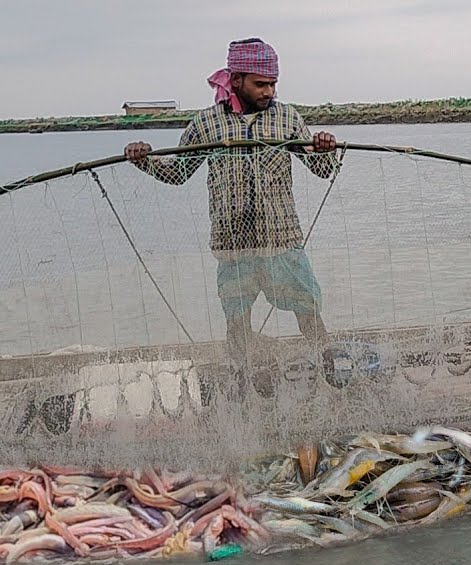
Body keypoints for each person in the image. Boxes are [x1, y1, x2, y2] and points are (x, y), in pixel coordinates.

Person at [124, 37, 339, 367]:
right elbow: (178, 174)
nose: (268, 92)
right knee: (237, 323)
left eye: (273, 84)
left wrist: (327, 148)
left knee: (308, 310)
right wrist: (144, 159)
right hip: (232, 244)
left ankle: (329, 372)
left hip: (282, 240)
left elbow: (322, 169)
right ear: (235, 80)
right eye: (260, 84)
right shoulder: (206, 123)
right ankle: (244, 381)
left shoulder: (287, 119)